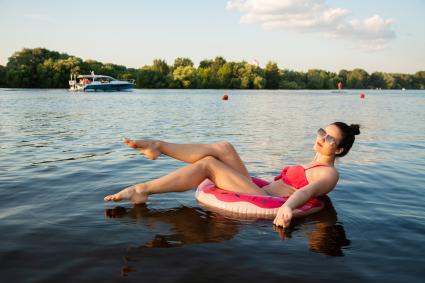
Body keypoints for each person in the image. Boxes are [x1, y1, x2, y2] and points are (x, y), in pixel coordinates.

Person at [104, 122, 360, 227]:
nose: (320, 138)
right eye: (320, 132)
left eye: (327, 139)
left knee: (209, 164)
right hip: (263, 190)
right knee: (224, 148)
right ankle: (157, 146)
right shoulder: (312, 162)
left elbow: (306, 192)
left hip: (263, 197)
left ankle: (142, 190)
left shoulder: (329, 174)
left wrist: (287, 208)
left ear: (339, 149)